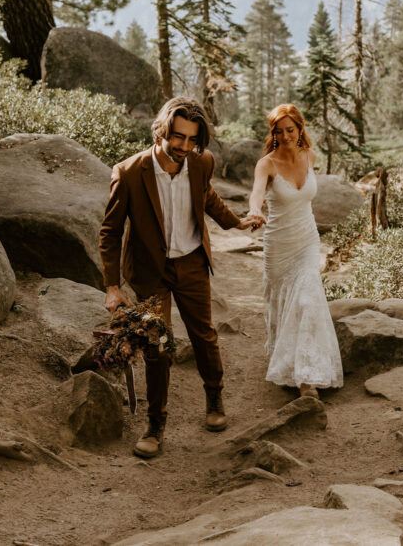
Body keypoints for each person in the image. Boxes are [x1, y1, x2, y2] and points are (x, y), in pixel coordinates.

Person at [99, 97, 263, 458]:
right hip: (149, 271)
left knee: (204, 335)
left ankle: (214, 398)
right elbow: (110, 231)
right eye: (179, 138)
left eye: (192, 140)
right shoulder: (128, 173)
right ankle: (156, 425)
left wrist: (235, 221)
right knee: (158, 347)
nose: (185, 147)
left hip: (190, 262)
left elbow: (206, 197)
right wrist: (112, 286)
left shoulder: (201, 162)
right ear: (162, 131)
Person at [246, 104, 343, 399]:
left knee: (307, 298)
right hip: (279, 245)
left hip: (308, 240)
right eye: (280, 131)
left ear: (300, 129)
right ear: (273, 133)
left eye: (291, 129)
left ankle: (307, 378)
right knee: (284, 303)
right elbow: (257, 194)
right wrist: (253, 211)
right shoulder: (267, 163)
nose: (286, 136)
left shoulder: (310, 156)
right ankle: (286, 361)